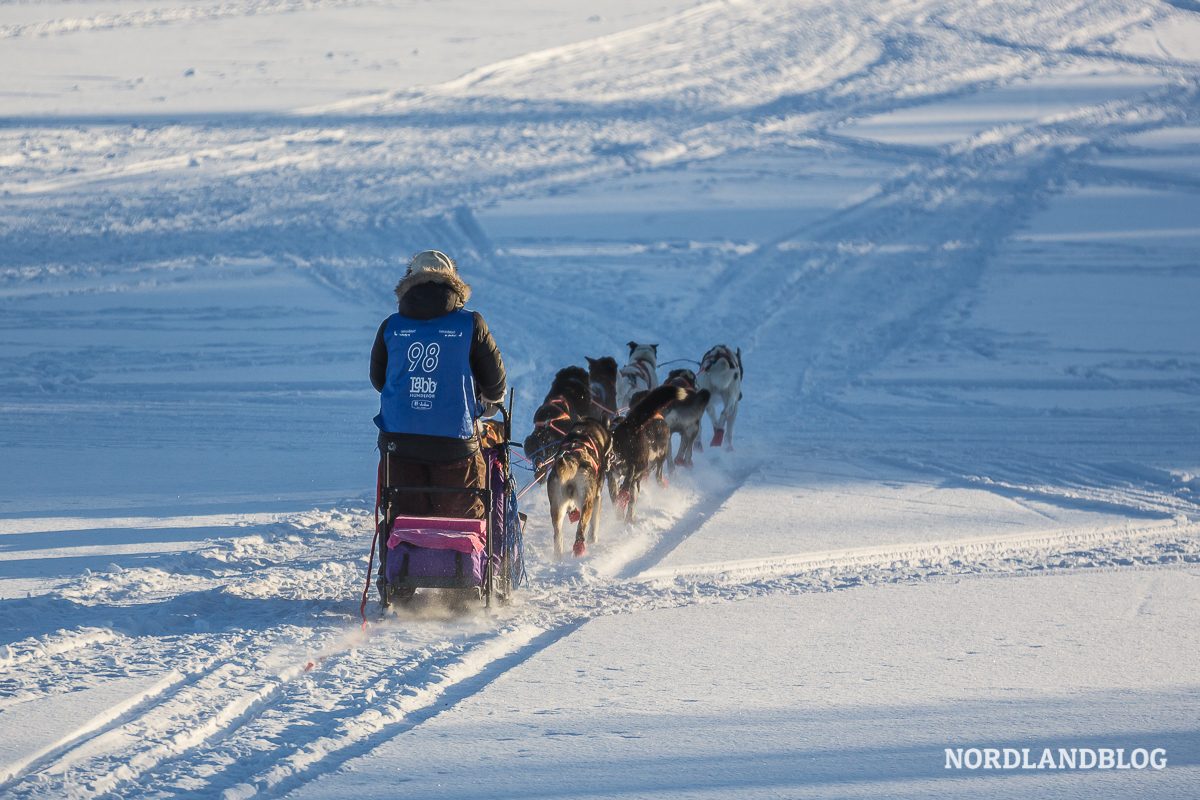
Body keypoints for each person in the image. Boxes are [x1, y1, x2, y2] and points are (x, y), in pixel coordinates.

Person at [370, 250, 506, 602]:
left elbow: (378, 379)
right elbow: (496, 386)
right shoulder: (470, 324)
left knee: (401, 509)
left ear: (408, 283)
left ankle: (400, 581)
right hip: (455, 444)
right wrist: (483, 401)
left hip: (399, 443)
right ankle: (463, 582)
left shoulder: (391, 326)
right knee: (463, 509)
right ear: (455, 284)